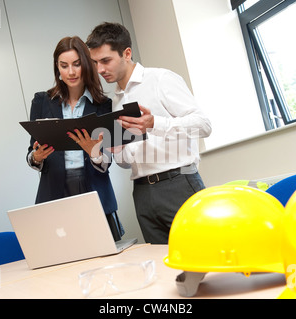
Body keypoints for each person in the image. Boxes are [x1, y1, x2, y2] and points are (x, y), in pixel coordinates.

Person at [86, 23, 212, 244]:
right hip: (142, 193)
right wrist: (118, 151)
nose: (99, 69)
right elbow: (127, 163)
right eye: (95, 62)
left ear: (127, 53)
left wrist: (155, 124)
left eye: (105, 61)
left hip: (179, 184)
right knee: (165, 271)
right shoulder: (116, 101)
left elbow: (203, 125)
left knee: (204, 257)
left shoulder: (160, 79)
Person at [27, 36, 124, 241]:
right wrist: (37, 156)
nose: (71, 72)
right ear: (57, 69)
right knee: (62, 258)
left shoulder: (103, 106)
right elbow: (31, 155)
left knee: (101, 255)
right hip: (54, 191)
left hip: (94, 189)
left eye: (76, 64)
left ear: (86, 65)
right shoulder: (42, 102)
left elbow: (107, 163)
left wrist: (94, 152)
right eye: (64, 66)